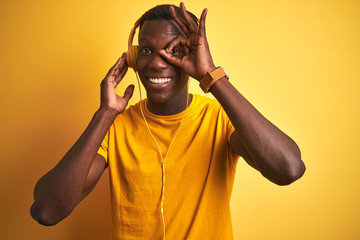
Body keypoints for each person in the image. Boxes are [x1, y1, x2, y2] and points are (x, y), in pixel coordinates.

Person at [30, 3, 305, 239]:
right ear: (135, 59)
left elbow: (288, 168)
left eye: (174, 50)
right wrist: (104, 115)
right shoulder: (116, 127)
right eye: (147, 51)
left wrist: (212, 76)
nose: (157, 63)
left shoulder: (219, 118)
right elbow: (46, 210)